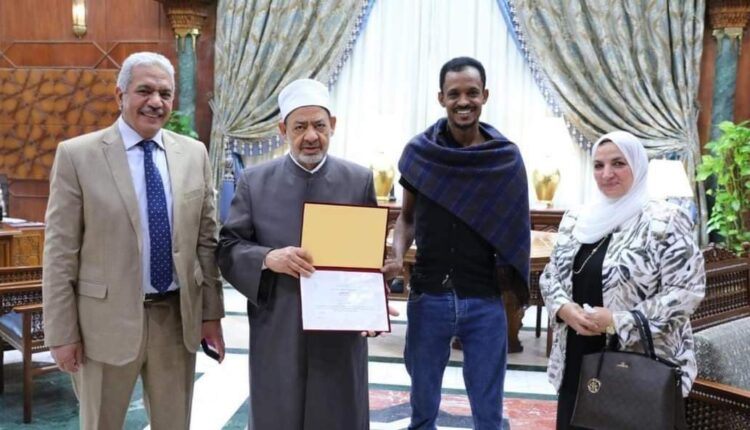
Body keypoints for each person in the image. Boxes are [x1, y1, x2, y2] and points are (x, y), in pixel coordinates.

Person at [43, 51, 225, 430]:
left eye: (165, 93)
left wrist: (211, 316)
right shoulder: (77, 156)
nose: (155, 102)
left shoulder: (194, 154)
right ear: (120, 95)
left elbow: (206, 244)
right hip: (103, 326)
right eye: (144, 91)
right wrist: (61, 334)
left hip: (176, 321)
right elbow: (60, 254)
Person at [216, 78, 378, 430]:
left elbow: (367, 259)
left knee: (339, 413)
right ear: (282, 130)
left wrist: (372, 305)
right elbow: (228, 248)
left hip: (338, 330)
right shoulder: (254, 182)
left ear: (332, 125)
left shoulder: (358, 180)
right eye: (299, 127)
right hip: (279, 322)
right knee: (278, 413)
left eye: (319, 125)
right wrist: (267, 258)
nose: (311, 136)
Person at [383, 56, 530, 430]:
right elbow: (407, 218)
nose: (463, 101)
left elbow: (516, 229)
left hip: (484, 298)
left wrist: (511, 284)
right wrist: (397, 256)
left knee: (488, 410)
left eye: (472, 93)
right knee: (422, 407)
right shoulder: (421, 153)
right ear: (441, 98)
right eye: (454, 94)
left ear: (485, 95)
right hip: (428, 295)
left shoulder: (504, 158)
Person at [539, 131, 705, 429]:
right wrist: (564, 308)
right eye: (598, 165)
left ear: (637, 166)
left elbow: (686, 291)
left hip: (637, 364)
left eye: (618, 163)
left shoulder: (665, 221)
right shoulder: (576, 218)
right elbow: (551, 275)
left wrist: (617, 322)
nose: (607, 174)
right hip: (577, 354)